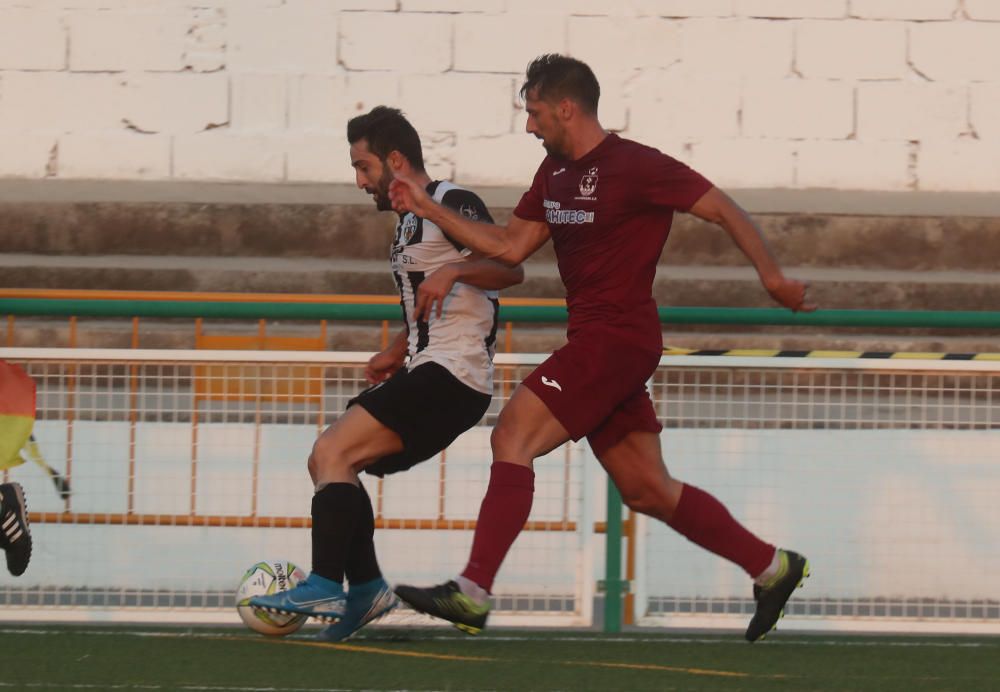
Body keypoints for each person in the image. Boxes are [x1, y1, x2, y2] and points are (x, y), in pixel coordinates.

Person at [388, 55, 815, 643]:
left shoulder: (636, 166)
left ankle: (474, 589)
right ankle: (773, 566)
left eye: (534, 113)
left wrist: (772, 278)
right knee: (646, 489)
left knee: (512, 435)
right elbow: (511, 248)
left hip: (619, 338)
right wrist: (432, 213)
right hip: (598, 342)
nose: (529, 127)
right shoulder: (553, 173)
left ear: (567, 107)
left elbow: (723, 208)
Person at [250, 106, 524, 641]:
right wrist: (398, 349)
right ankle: (367, 587)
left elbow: (510, 266)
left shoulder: (451, 201)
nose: (359, 181)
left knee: (333, 450)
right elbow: (438, 298)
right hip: (430, 368)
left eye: (364, 166)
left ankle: (329, 582)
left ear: (396, 160)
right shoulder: (406, 224)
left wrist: (456, 267)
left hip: (454, 374)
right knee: (330, 459)